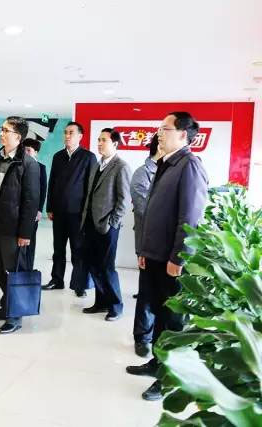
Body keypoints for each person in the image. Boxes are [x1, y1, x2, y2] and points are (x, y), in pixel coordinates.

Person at [126, 112, 209, 401]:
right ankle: (157, 363)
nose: (159, 133)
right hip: (155, 256)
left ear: (183, 134)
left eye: (165, 128)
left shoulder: (190, 165)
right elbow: (153, 212)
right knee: (159, 315)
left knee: (173, 320)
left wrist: (179, 258)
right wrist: (146, 251)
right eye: (159, 128)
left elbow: (190, 218)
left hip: (171, 260)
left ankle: (170, 378)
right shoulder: (166, 163)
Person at [0, 117, 40, 334]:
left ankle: (15, 316)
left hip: (14, 228)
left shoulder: (28, 164)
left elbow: (31, 201)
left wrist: (25, 232)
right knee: (0, 271)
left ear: (18, 136)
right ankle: (6, 306)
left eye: (6, 130)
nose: (2, 133)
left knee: (15, 271)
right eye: (2, 129)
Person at [81, 128, 131, 321]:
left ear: (115, 144)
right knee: (94, 265)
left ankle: (116, 306)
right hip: (90, 224)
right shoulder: (97, 164)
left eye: (104, 140)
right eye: (99, 140)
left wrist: (112, 222)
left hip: (107, 226)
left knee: (107, 267)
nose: (99, 143)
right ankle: (101, 302)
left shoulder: (121, 167)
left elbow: (124, 200)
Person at [43, 122, 98, 297]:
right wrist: (49, 206)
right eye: (65, 132)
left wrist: (88, 212)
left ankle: (79, 285)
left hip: (78, 213)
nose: (67, 136)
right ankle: (57, 280)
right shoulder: (58, 156)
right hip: (59, 212)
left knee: (78, 250)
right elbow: (52, 182)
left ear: (80, 136)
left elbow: (91, 186)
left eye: (71, 133)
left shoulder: (88, 157)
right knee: (58, 249)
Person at [130, 134, 164, 357]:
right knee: (147, 293)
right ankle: (143, 337)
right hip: (149, 241)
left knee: (162, 294)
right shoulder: (142, 173)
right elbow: (144, 210)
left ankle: (159, 337)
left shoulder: (172, 170)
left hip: (168, 243)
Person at [22, 138, 47, 268]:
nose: (25, 153)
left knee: (30, 241)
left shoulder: (41, 168)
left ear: (36, 152)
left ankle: (29, 269)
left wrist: (39, 210)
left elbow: (43, 190)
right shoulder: (18, 165)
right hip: (19, 210)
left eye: (29, 150)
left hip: (33, 210)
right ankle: (18, 270)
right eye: (23, 150)